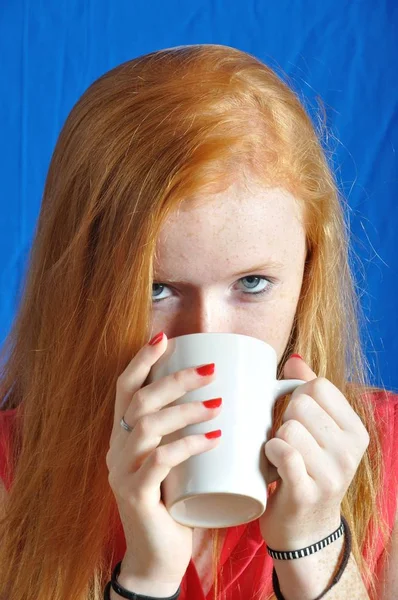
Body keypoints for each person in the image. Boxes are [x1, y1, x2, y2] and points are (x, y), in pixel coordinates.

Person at [0, 44, 396, 600]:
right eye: (155, 289)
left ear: (308, 273)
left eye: (253, 284)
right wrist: (147, 575)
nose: (207, 333)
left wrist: (314, 543)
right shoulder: (11, 472)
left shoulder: (389, 457)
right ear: (83, 286)